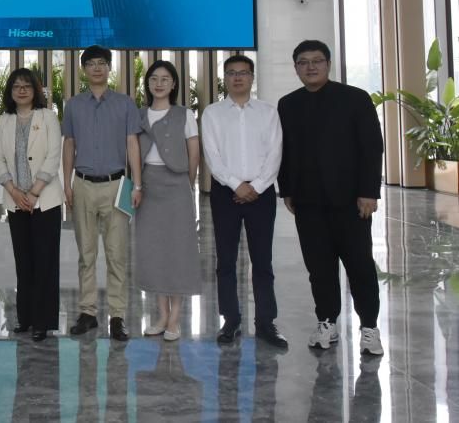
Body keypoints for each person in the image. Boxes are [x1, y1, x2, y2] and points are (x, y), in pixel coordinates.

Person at [277, 40, 384, 356]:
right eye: (303, 62)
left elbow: (372, 147)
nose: (310, 67)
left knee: (360, 266)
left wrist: (369, 192)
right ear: (296, 68)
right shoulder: (288, 104)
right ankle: (327, 322)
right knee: (319, 268)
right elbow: (285, 151)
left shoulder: (355, 98)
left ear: (328, 64)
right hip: (308, 202)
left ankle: (369, 327)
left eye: (317, 61)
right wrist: (288, 189)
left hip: (351, 202)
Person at [201, 54, 288, 347]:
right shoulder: (213, 113)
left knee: (262, 260)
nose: (237, 77)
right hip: (226, 193)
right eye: (231, 73)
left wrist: (257, 186)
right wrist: (236, 185)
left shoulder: (268, 112)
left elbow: (275, 153)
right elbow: (212, 155)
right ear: (224, 78)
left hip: (261, 195)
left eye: (243, 72)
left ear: (252, 77)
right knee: (225, 260)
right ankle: (231, 320)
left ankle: (266, 323)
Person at [62, 45, 142, 340]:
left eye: (102, 63)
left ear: (109, 68)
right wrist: (67, 183)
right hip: (83, 185)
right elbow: (69, 144)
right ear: (84, 70)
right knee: (86, 254)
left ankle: (117, 317)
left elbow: (132, 144)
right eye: (91, 64)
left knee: (116, 254)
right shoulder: (73, 105)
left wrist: (137, 184)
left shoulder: (125, 104)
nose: (97, 68)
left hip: (117, 185)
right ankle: (87, 312)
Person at [134, 60, 201, 341]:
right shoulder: (139, 115)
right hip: (147, 186)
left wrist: (188, 183)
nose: (159, 83)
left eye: (165, 79)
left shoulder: (184, 115)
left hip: (177, 185)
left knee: (178, 250)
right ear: (147, 84)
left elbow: (194, 151)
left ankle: (175, 318)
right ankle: (161, 315)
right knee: (154, 251)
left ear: (174, 84)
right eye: (153, 78)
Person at [0, 68, 62, 341]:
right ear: (10, 92)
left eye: (27, 86)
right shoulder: (5, 120)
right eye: (16, 86)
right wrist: (13, 191)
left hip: (45, 200)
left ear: (35, 90)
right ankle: (26, 318)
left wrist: (34, 193)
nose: (21, 90)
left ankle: (43, 321)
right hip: (16, 201)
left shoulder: (48, 117)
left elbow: (53, 156)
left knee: (45, 261)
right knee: (23, 262)